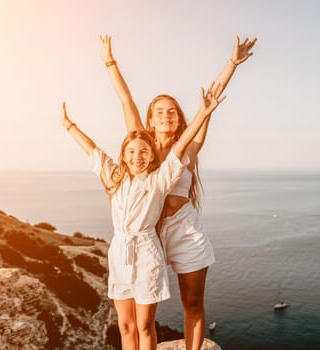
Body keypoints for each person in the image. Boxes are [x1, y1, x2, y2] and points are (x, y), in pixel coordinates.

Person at [99, 34, 256, 350]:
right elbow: (125, 99)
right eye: (159, 111)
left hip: (183, 228)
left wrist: (232, 63)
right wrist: (109, 62)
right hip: (148, 235)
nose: (166, 116)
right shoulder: (141, 147)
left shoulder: (190, 144)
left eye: (172, 111)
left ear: (181, 117)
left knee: (193, 302)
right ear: (149, 120)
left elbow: (210, 99)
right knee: (138, 317)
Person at [60, 84, 225, 350]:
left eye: (143, 153)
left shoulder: (160, 179)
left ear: (152, 159)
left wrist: (204, 113)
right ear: (123, 156)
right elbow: (93, 151)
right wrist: (69, 125)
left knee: (146, 325)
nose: (137, 156)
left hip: (153, 247)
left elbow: (182, 145)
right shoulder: (114, 179)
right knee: (126, 325)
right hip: (121, 254)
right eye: (132, 152)